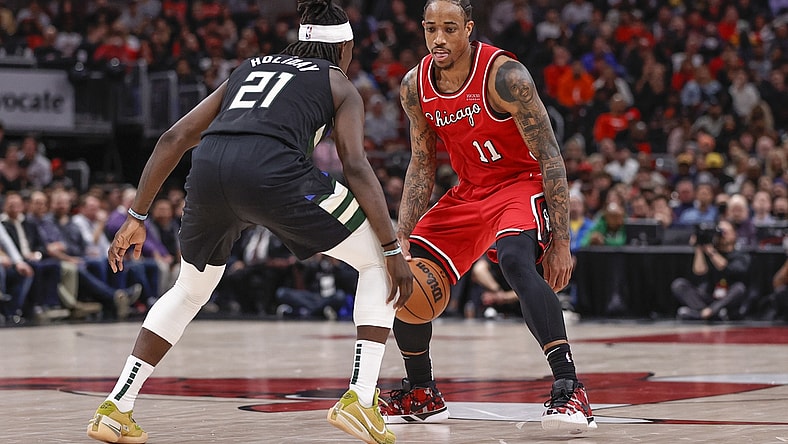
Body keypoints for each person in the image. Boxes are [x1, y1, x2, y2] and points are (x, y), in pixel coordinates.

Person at [86, 2, 413, 444]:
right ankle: (360, 396)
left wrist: (136, 215)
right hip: (276, 173)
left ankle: (116, 407)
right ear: (344, 48)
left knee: (187, 291)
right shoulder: (338, 83)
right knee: (376, 260)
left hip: (208, 171)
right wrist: (394, 249)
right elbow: (354, 166)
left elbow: (175, 137)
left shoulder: (249, 66)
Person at [380, 0, 596, 433]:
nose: (438, 39)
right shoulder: (414, 85)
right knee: (405, 273)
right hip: (468, 192)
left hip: (520, 181)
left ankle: (570, 389)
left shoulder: (504, 75)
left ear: (469, 28)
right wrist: (400, 238)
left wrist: (561, 241)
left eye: (448, 28)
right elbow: (422, 164)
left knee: (516, 260)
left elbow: (550, 154)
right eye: (430, 29)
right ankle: (422, 391)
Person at [671, 220, 751, 321]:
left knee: (739, 288)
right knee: (679, 285)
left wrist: (712, 253)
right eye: (720, 232)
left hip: (728, 298)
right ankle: (710, 313)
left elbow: (729, 269)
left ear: (734, 235)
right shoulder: (709, 251)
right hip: (709, 296)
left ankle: (703, 314)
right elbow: (699, 272)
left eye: (725, 232)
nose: (722, 236)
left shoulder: (740, 254)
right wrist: (699, 248)